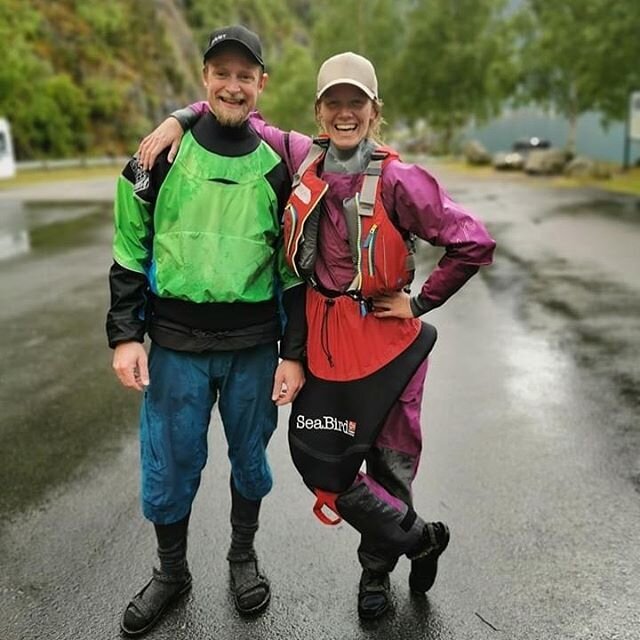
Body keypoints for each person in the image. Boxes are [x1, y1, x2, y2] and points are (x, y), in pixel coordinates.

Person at [138, 50, 496, 620]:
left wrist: (420, 300)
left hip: (389, 344)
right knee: (319, 463)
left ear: (375, 111)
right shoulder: (302, 154)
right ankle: (420, 538)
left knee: (389, 462)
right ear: (319, 111)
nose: (345, 113)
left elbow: (472, 241)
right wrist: (177, 119)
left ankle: (376, 573)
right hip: (326, 342)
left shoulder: (401, 180)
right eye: (335, 103)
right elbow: (235, 108)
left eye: (357, 103)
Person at [106, 25, 306, 636]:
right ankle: (172, 572)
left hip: (251, 348)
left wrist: (292, 355)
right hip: (175, 346)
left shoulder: (280, 168)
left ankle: (241, 556)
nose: (232, 85)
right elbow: (128, 248)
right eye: (222, 73)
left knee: (250, 460)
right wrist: (124, 335)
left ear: (260, 85)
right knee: (170, 463)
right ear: (205, 78)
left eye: (245, 75)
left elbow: (292, 272)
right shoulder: (157, 158)